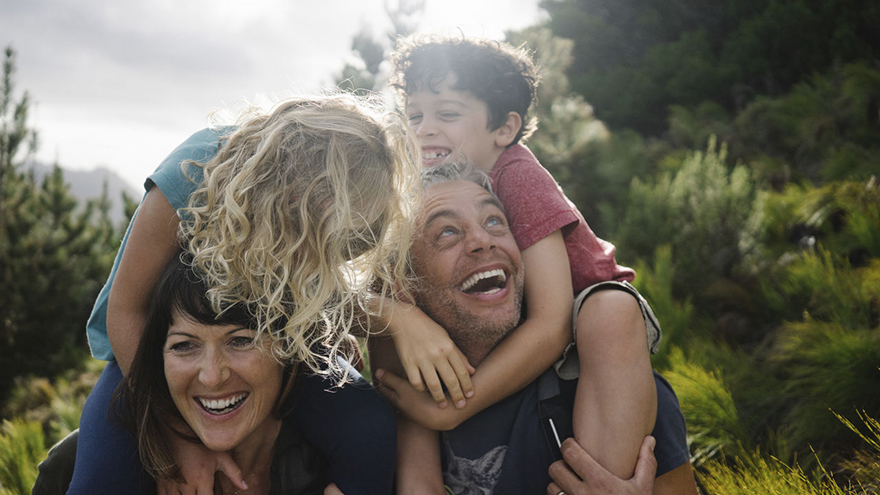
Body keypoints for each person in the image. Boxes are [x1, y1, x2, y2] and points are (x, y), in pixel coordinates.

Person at [68, 94, 419, 495]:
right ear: (295, 177)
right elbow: (127, 313)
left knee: (368, 425)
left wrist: (330, 332)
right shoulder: (194, 170)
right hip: (153, 356)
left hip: (268, 348)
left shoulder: (335, 212)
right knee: (99, 482)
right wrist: (179, 440)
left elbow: (314, 287)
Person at [377, 34, 660, 482]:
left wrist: (451, 412)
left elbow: (551, 325)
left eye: (446, 114)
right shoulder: (420, 194)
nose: (423, 129)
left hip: (588, 316)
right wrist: (396, 314)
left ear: (504, 129)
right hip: (525, 320)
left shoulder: (518, 176)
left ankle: (602, 480)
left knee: (608, 312)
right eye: (414, 115)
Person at [373, 163, 697, 494]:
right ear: (406, 282)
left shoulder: (609, 384)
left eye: (495, 222)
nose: (482, 240)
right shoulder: (414, 400)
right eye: (447, 232)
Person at [115, 253, 328, 494]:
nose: (212, 377)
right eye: (184, 345)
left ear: (288, 347)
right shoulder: (88, 469)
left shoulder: (343, 472)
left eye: (240, 341)